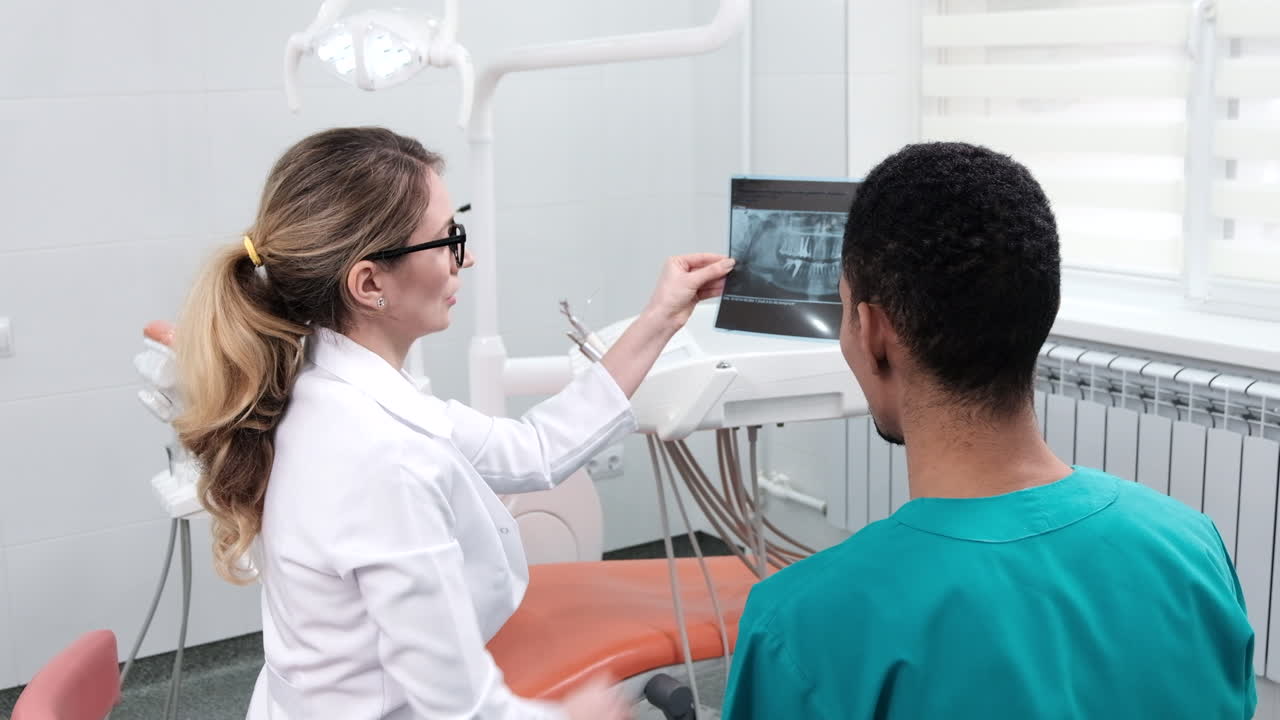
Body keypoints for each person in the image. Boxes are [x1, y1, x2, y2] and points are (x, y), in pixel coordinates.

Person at [173, 126, 734, 719]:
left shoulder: (329, 384)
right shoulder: (379, 454)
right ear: (369, 284)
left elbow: (535, 451)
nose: (465, 257)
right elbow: (460, 709)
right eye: (445, 240)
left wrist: (661, 317)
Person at [722, 142, 1256, 719]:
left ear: (874, 332)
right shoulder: (1193, 547)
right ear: (1039, 308)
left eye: (844, 308)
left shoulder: (800, 629)